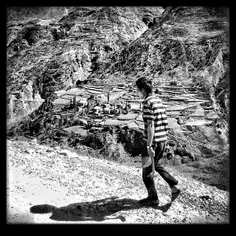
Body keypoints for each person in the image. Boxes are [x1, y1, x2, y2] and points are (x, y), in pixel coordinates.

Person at [136, 77, 180, 206]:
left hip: (153, 142)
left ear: (143, 89)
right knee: (156, 165)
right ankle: (173, 186)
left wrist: (149, 145)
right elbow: (164, 122)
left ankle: (153, 198)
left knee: (146, 172)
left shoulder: (147, 103)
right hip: (162, 141)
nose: (137, 92)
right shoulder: (158, 100)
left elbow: (150, 125)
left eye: (137, 89)